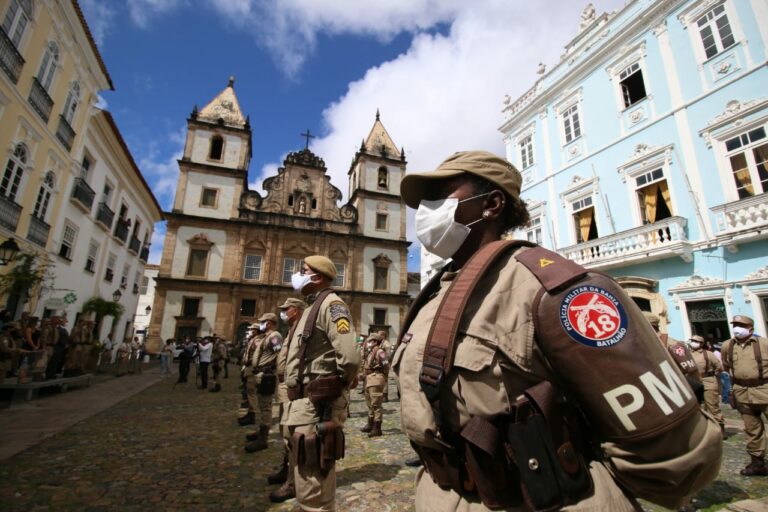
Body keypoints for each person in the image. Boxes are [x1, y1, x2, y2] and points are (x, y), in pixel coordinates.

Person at [393, 151, 721, 511]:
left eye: (442, 197)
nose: (427, 211)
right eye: (427, 201)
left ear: (492, 204)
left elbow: (675, 450)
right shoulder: (436, 292)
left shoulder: (553, 289)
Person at [284, 255, 361, 511]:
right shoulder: (311, 306)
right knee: (306, 474)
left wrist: (336, 386)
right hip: (303, 403)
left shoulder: (331, 305)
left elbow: (349, 357)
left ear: (316, 277)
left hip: (318, 403)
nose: (298, 275)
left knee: (314, 486)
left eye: (303, 271)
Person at [268, 297, 307, 503]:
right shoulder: (291, 330)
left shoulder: (303, 330)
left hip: (293, 388)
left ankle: (293, 481)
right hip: (284, 387)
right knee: (285, 432)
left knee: (291, 434)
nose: (284, 312)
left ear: (297, 311)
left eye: (287, 309)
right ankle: (287, 469)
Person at [722, 314, 768, 476]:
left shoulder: (763, 343)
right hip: (742, 392)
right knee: (751, 429)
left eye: (740, 325)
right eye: (734, 324)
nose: (736, 328)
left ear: (750, 329)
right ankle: (757, 463)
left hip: (764, 389)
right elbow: (726, 367)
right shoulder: (728, 345)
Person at [245, 313, 283, 452]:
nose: (260, 324)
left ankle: (263, 438)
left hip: (267, 374)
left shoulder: (274, 337)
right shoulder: (266, 337)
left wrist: (273, 371)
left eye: (262, 322)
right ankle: (260, 430)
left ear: (269, 323)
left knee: (266, 406)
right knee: (261, 404)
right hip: (260, 373)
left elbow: (279, 354)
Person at [689, 335, 726, 438]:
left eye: (695, 341)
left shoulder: (708, 354)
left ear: (701, 343)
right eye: (692, 340)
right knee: (698, 408)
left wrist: (712, 375)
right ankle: (704, 430)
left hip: (708, 381)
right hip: (694, 382)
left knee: (712, 407)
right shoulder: (688, 354)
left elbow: (719, 367)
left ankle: (720, 430)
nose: (693, 342)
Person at [361, 333, 388, 437]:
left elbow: (386, 364)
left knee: (376, 404)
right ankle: (370, 424)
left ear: (376, 342)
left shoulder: (380, 352)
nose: (368, 343)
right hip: (369, 378)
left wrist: (384, 376)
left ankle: (377, 428)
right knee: (370, 404)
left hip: (376, 378)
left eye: (370, 341)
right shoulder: (370, 352)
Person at [239, 324, 263, 426]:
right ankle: (250, 412)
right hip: (249, 368)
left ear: (257, 331)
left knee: (252, 393)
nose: (250, 331)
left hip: (253, 369)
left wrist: (253, 362)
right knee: (249, 392)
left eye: (252, 330)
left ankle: (252, 414)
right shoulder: (253, 339)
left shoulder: (257, 340)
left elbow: (259, 353)